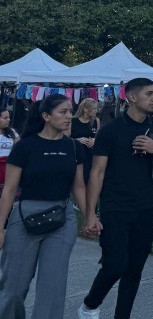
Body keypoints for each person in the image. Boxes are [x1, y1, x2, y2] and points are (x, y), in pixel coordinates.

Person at [78, 78, 153, 319]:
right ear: (131, 97)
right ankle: (90, 304)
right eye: (149, 94)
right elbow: (97, 173)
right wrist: (90, 214)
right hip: (116, 207)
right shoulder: (111, 130)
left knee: (134, 269)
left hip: (147, 206)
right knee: (115, 265)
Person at [0, 94, 91, 318]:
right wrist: (0, 227)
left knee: (53, 288)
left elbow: (79, 186)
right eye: (63, 112)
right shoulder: (25, 146)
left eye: (71, 112)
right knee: (13, 287)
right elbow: (9, 190)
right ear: (46, 116)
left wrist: (90, 215)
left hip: (62, 218)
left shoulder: (73, 147)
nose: (69, 116)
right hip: (25, 216)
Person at [72, 98, 101, 185]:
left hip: (90, 155)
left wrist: (95, 140)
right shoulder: (73, 121)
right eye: (94, 109)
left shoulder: (96, 121)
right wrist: (77, 140)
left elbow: (98, 137)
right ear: (85, 109)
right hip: (76, 154)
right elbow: (65, 138)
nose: (96, 111)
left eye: (96, 108)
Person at [0, 106, 20, 196]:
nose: (8, 120)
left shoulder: (12, 132)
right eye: (5, 118)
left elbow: (19, 147)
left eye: (9, 117)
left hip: (9, 166)